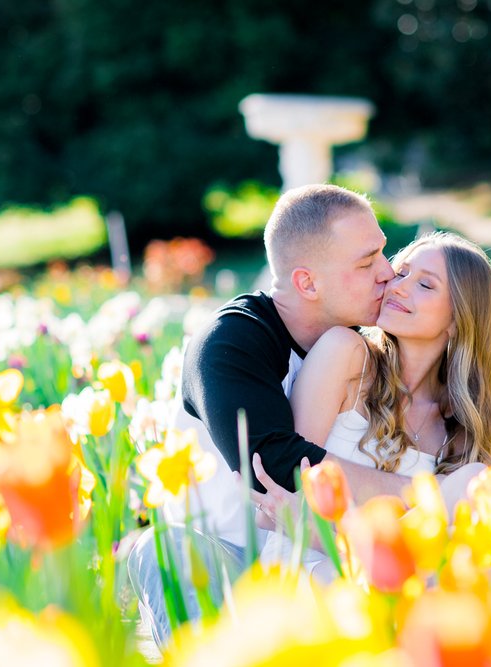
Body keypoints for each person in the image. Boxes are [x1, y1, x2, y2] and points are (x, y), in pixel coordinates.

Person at [129, 183, 417, 650]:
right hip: (228, 565)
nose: (388, 273)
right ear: (306, 282)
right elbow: (276, 466)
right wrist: (422, 493)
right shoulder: (231, 341)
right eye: (367, 263)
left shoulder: (362, 345)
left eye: (383, 254)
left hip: (315, 557)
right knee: (162, 550)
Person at [255, 231, 491, 577]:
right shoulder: (346, 357)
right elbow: (276, 503)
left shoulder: (461, 429)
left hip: (401, 590)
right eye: (401, 273)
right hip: (312, 575)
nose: (400, 287)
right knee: (472, 483)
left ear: (457, 319)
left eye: (426, 285)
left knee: (476, 506)